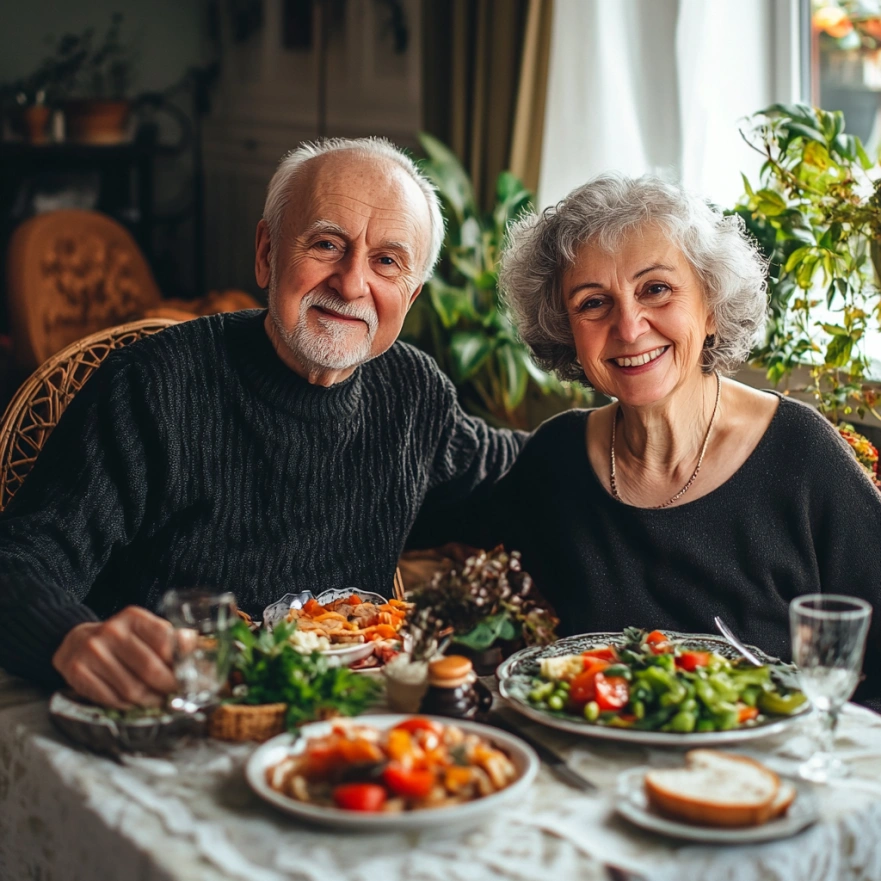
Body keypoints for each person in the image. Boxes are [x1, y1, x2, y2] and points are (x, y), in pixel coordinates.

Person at [0, 137, 525, 709]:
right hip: (172, 712)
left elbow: (521, 472)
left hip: (345, 721)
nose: (352, 283)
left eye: (387, 262)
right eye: (327, 244)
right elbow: (19, 562)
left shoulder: (413, 392)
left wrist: (604, 422)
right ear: (267, 253)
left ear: (412, 295)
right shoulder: (151, 386)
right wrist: (70, 638)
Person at [414, 173, 881, 704]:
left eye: (655, 289)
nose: (630, 327)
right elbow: (446, 533)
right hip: (587, 754)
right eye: (593, 302)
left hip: (772, 756)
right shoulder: (557, 458)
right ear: (567, 331)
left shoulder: (801, 454)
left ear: (710, 306)